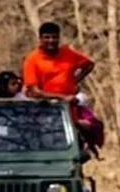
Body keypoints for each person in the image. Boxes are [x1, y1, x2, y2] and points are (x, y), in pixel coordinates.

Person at [22, 22, 100, 153]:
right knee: (49, 142)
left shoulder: (67, 53)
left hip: (69, 109)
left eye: (54, 37)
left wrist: (74, 81)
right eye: (47, 37)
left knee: (78, 140)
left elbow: (89, 64)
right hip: (46, 109)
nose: (51, 41)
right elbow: (34, 91)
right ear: (40, 39)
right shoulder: (32, 59)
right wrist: (63, 97)